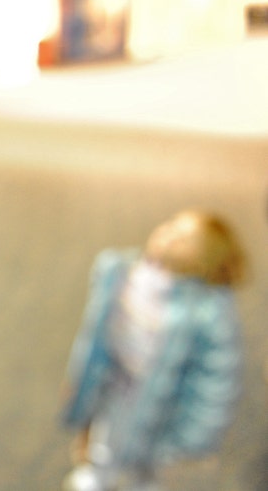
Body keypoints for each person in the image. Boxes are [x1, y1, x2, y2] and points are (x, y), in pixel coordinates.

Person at [61, 210, 247, 491]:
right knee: (105, 437)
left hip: (160, 399)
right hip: (116, 380)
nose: (170, 236)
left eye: (186, 240)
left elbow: (216, 379)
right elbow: (95, 333)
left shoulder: (208, 310)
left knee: (146, 455)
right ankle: (97, 477)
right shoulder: (120, 270)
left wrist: (196, 435)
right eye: (172, 226)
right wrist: (81, 380)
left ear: (205, 260)